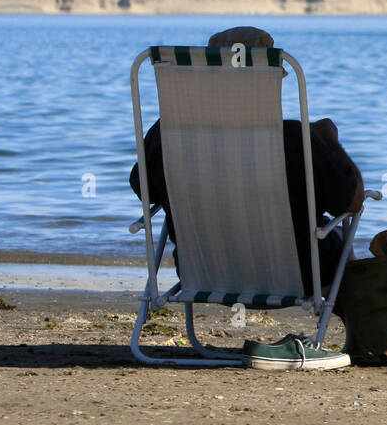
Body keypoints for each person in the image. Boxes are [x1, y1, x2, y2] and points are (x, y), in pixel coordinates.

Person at [129, 26, 365, 298]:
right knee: (338, 236)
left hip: (203, 273)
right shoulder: (296, 139)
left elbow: (145, 192)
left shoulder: (167, 135)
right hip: (298, 275)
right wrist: (329, 140)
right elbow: (353, 202)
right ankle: (357, 328)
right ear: (268, 81)